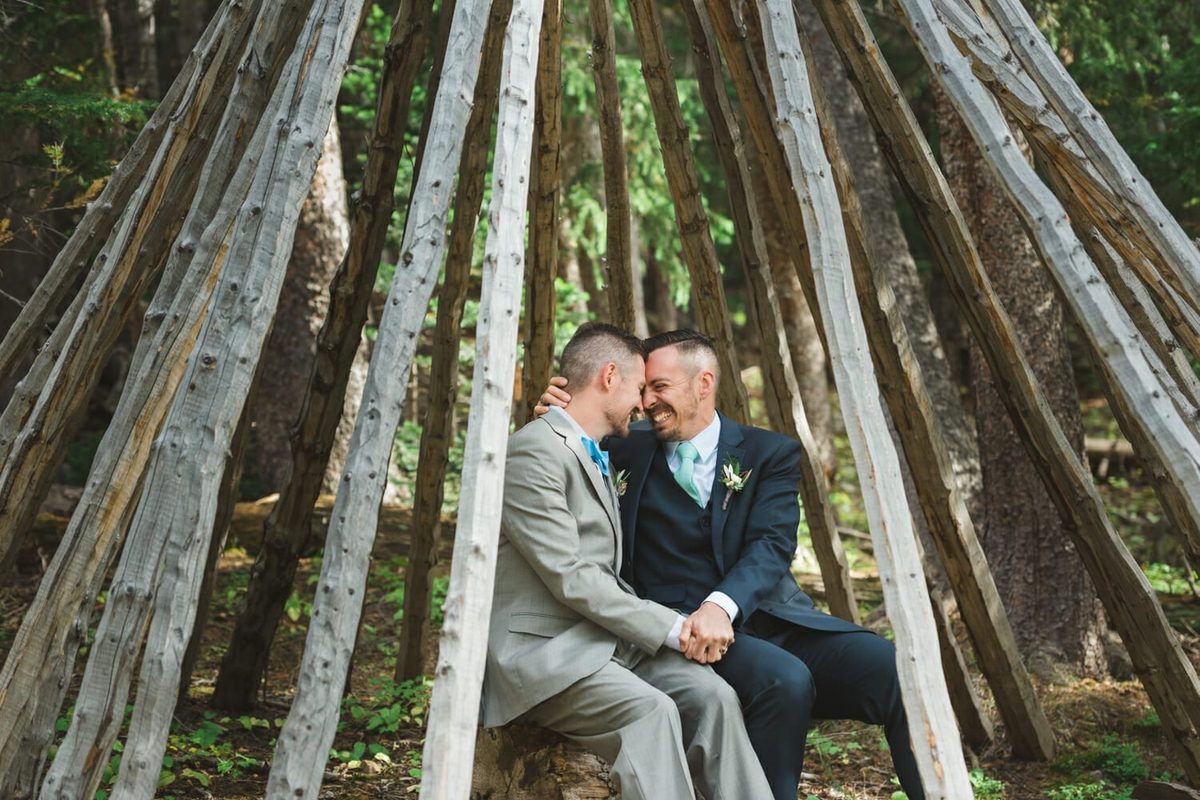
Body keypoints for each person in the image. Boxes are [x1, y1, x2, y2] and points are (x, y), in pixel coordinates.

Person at [540, 329, 925, 800]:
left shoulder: (768, 454)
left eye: (659, 387)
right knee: (782, 681)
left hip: (767, 617)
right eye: (642, 389)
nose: (646, 401)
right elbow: (564, 449)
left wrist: (722, 607)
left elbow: (771, 543)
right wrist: (557, 411)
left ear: (704, 383)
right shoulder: (624, 446)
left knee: (899, 670)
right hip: (677, 634)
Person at [482, 323, 772, 800]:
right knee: (650, 712)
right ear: (609, 376)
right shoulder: (533, 453)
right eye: (640, 388)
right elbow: (572, 578)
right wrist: (676, 629)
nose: (643, 405)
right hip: (544, 653)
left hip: (602, 642)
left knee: (713, 696)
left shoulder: (593, 450)